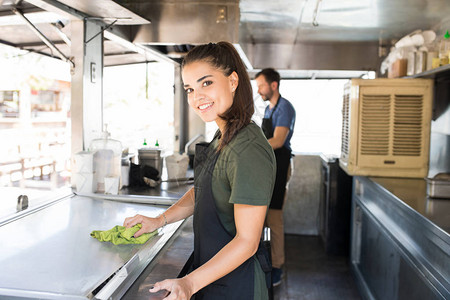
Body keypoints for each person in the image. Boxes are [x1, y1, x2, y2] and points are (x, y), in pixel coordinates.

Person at [123, 41, 276, 300]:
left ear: (233, 80)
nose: (196, 97)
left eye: (206, 83)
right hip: (213, 278)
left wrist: (189, 284)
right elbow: (202, 192)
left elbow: (247, 242)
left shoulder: (248, 149)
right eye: (190, 89)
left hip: (238, 287)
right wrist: (159, 221)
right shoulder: (224, 136)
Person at [255, 68, 296, 286]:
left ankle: (278, 266)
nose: (259, 90)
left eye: (261, 85)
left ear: (274, 85)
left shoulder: (285, 108)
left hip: (280, 166)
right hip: (269, 166)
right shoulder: (269, 108)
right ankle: (266, 262)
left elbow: (278, 141)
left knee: (274, 218)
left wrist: (252, 147)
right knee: (264, 217)